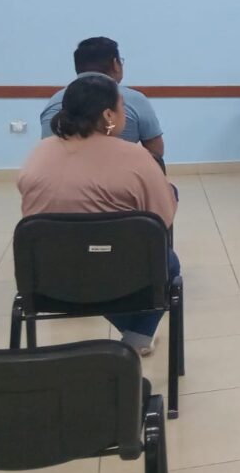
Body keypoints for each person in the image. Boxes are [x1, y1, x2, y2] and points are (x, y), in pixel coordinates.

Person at [18, 73, 179, 356]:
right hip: (120, 276)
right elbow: (161, 222)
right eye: (121, 106)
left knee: (92, 261)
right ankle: (138, 335)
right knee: (168, 262)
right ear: (108, 115)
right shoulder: (135, 156)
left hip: (46, 277)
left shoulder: (39, 152)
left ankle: (135, 334)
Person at [40, 37, 165, 163]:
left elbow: (47, 154)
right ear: (116, 64)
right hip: (123, 173)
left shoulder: (55, 101)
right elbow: (156, 154)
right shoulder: (134, 100)